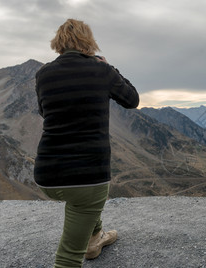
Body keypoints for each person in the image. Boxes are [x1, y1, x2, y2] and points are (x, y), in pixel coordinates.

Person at [34, 18, 139, 267]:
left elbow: (44, 112)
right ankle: (87, 243)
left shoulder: (43, 74)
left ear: (58, 42)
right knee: (69, 256)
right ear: (88, 42)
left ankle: (94, 240)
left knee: (88, 202)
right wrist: (110, 68)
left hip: (47, 176)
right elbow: (132, 99)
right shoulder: (101, 70)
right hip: (87, 176)